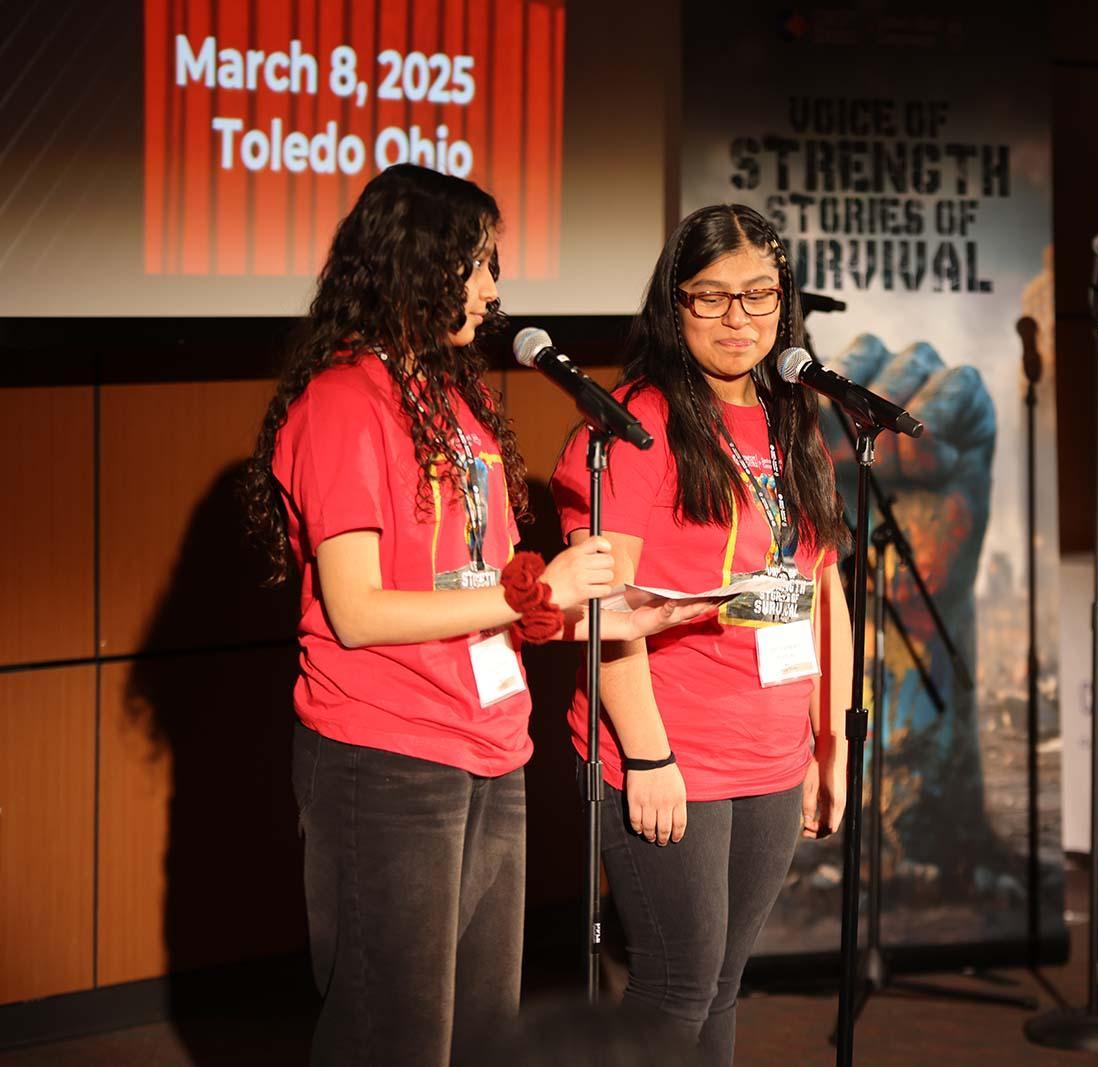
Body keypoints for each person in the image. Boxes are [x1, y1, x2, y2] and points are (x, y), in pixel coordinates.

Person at [242, 164, 705, 1067]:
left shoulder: (454, 400)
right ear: (415, 264)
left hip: (492, 741)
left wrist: (598, 615)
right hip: (386, 752)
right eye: (479, 261)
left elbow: (475, 585)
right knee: (394, 1036)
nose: (495, 286)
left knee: (484, 1034)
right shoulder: (344, 401)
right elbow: (357, 610)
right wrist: (546, 590)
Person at [550, 203, 853, 1066]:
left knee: (721, 983)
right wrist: (646, 755)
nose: (739, 318)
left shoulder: (795, 417)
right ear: (673, 306)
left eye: (760, 295)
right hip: (669, 745)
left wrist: (830, 743)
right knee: (676, 985)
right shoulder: (633, 426)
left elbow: (822, 587)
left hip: (769, 745)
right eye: (711, 297)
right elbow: (605, 606)